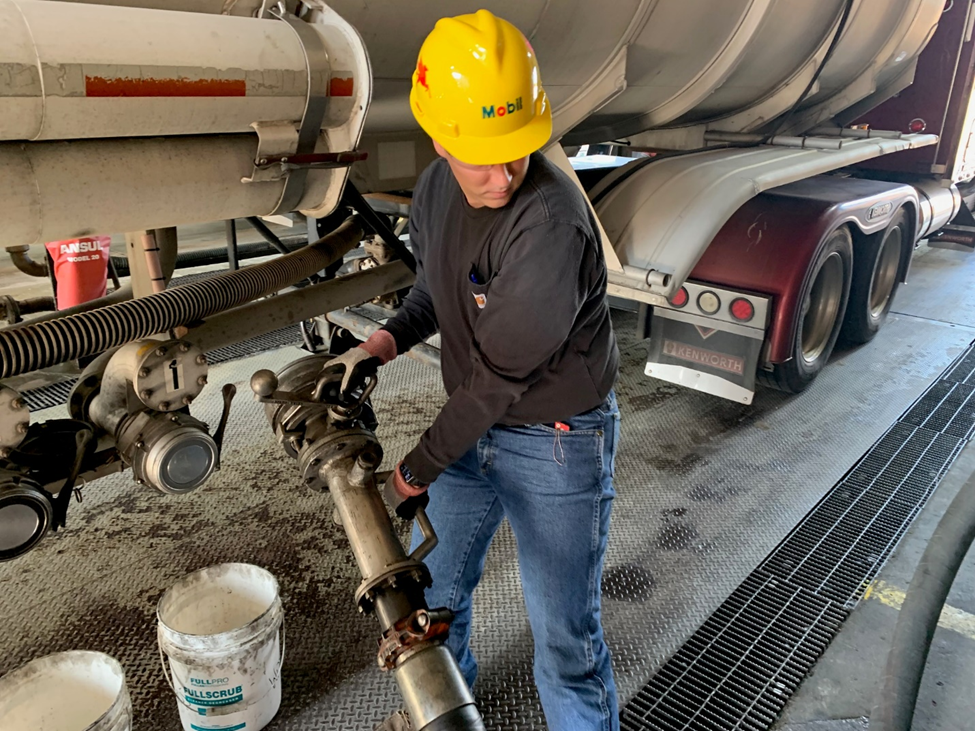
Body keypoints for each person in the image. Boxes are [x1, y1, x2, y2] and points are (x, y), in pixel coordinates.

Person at [329, 9, 621, 730]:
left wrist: (415, 469)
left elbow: (495, 375)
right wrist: (385, 341)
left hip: (553, 439)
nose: (502, 174)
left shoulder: (550, 224)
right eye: (480, 157)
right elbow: (438, 284)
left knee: (565, 637)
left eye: (516, 151)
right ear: (440, 139)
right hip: (472, 430)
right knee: (435, 600)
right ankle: (446, 714)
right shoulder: (434, 189)